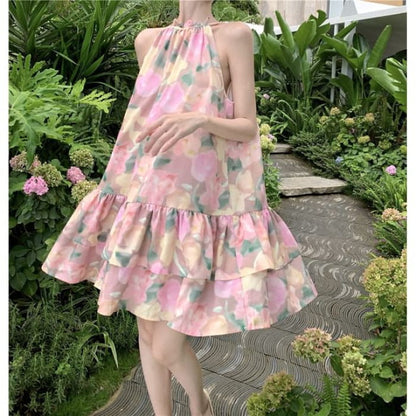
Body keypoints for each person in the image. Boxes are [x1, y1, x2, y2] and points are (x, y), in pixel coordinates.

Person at [41, 0, 318, 415]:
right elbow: (149, 117)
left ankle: (199, 404)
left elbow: (247, 127)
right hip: (146, 204)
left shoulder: (234, 35)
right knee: (147, 332)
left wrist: (200, 119)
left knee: (168, 344)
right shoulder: (147, 41)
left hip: (197, 211)